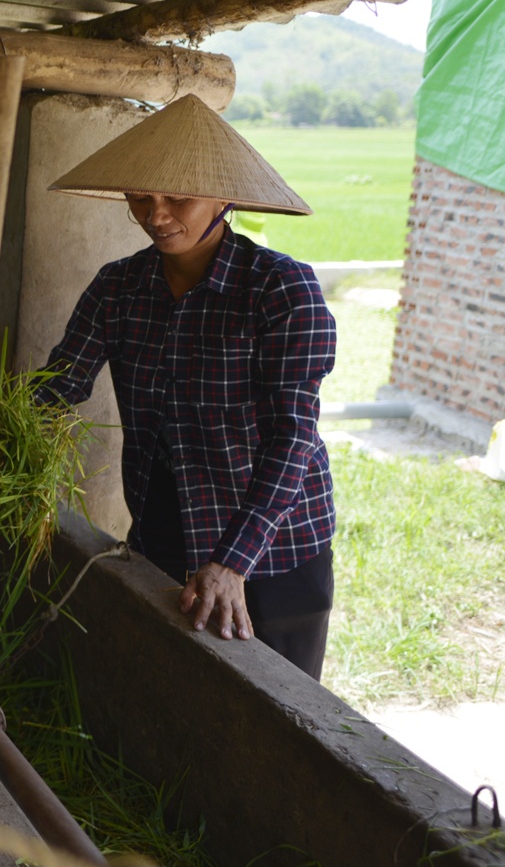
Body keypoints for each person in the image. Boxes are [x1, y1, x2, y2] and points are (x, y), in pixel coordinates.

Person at [39, 95, 337, 679]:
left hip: (271, 551)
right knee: (172, 692)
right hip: (163, 532)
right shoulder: (118, 288)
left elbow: (292, 439)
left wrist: (232, 563)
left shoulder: (281, 290)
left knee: (280, 714)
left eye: (177, 198)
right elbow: (60, 384)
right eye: (141, 198)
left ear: (225, 199)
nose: (157, 215)